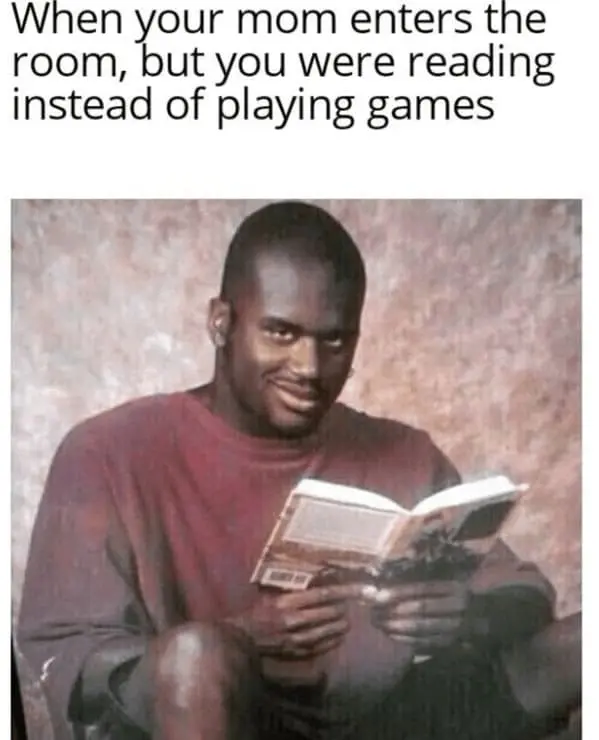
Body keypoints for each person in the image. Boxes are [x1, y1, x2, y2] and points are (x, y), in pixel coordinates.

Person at [17, 201, 580, 740]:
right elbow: (70, 662)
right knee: (196, 659)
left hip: (379, 723)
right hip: (219, 719)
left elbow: (527, 598)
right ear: (221, 322)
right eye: (281, 333)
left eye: (334, 340)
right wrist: (238, 641)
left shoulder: (406, 453)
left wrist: (467, 617)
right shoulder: (107, 451)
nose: (309, 368)